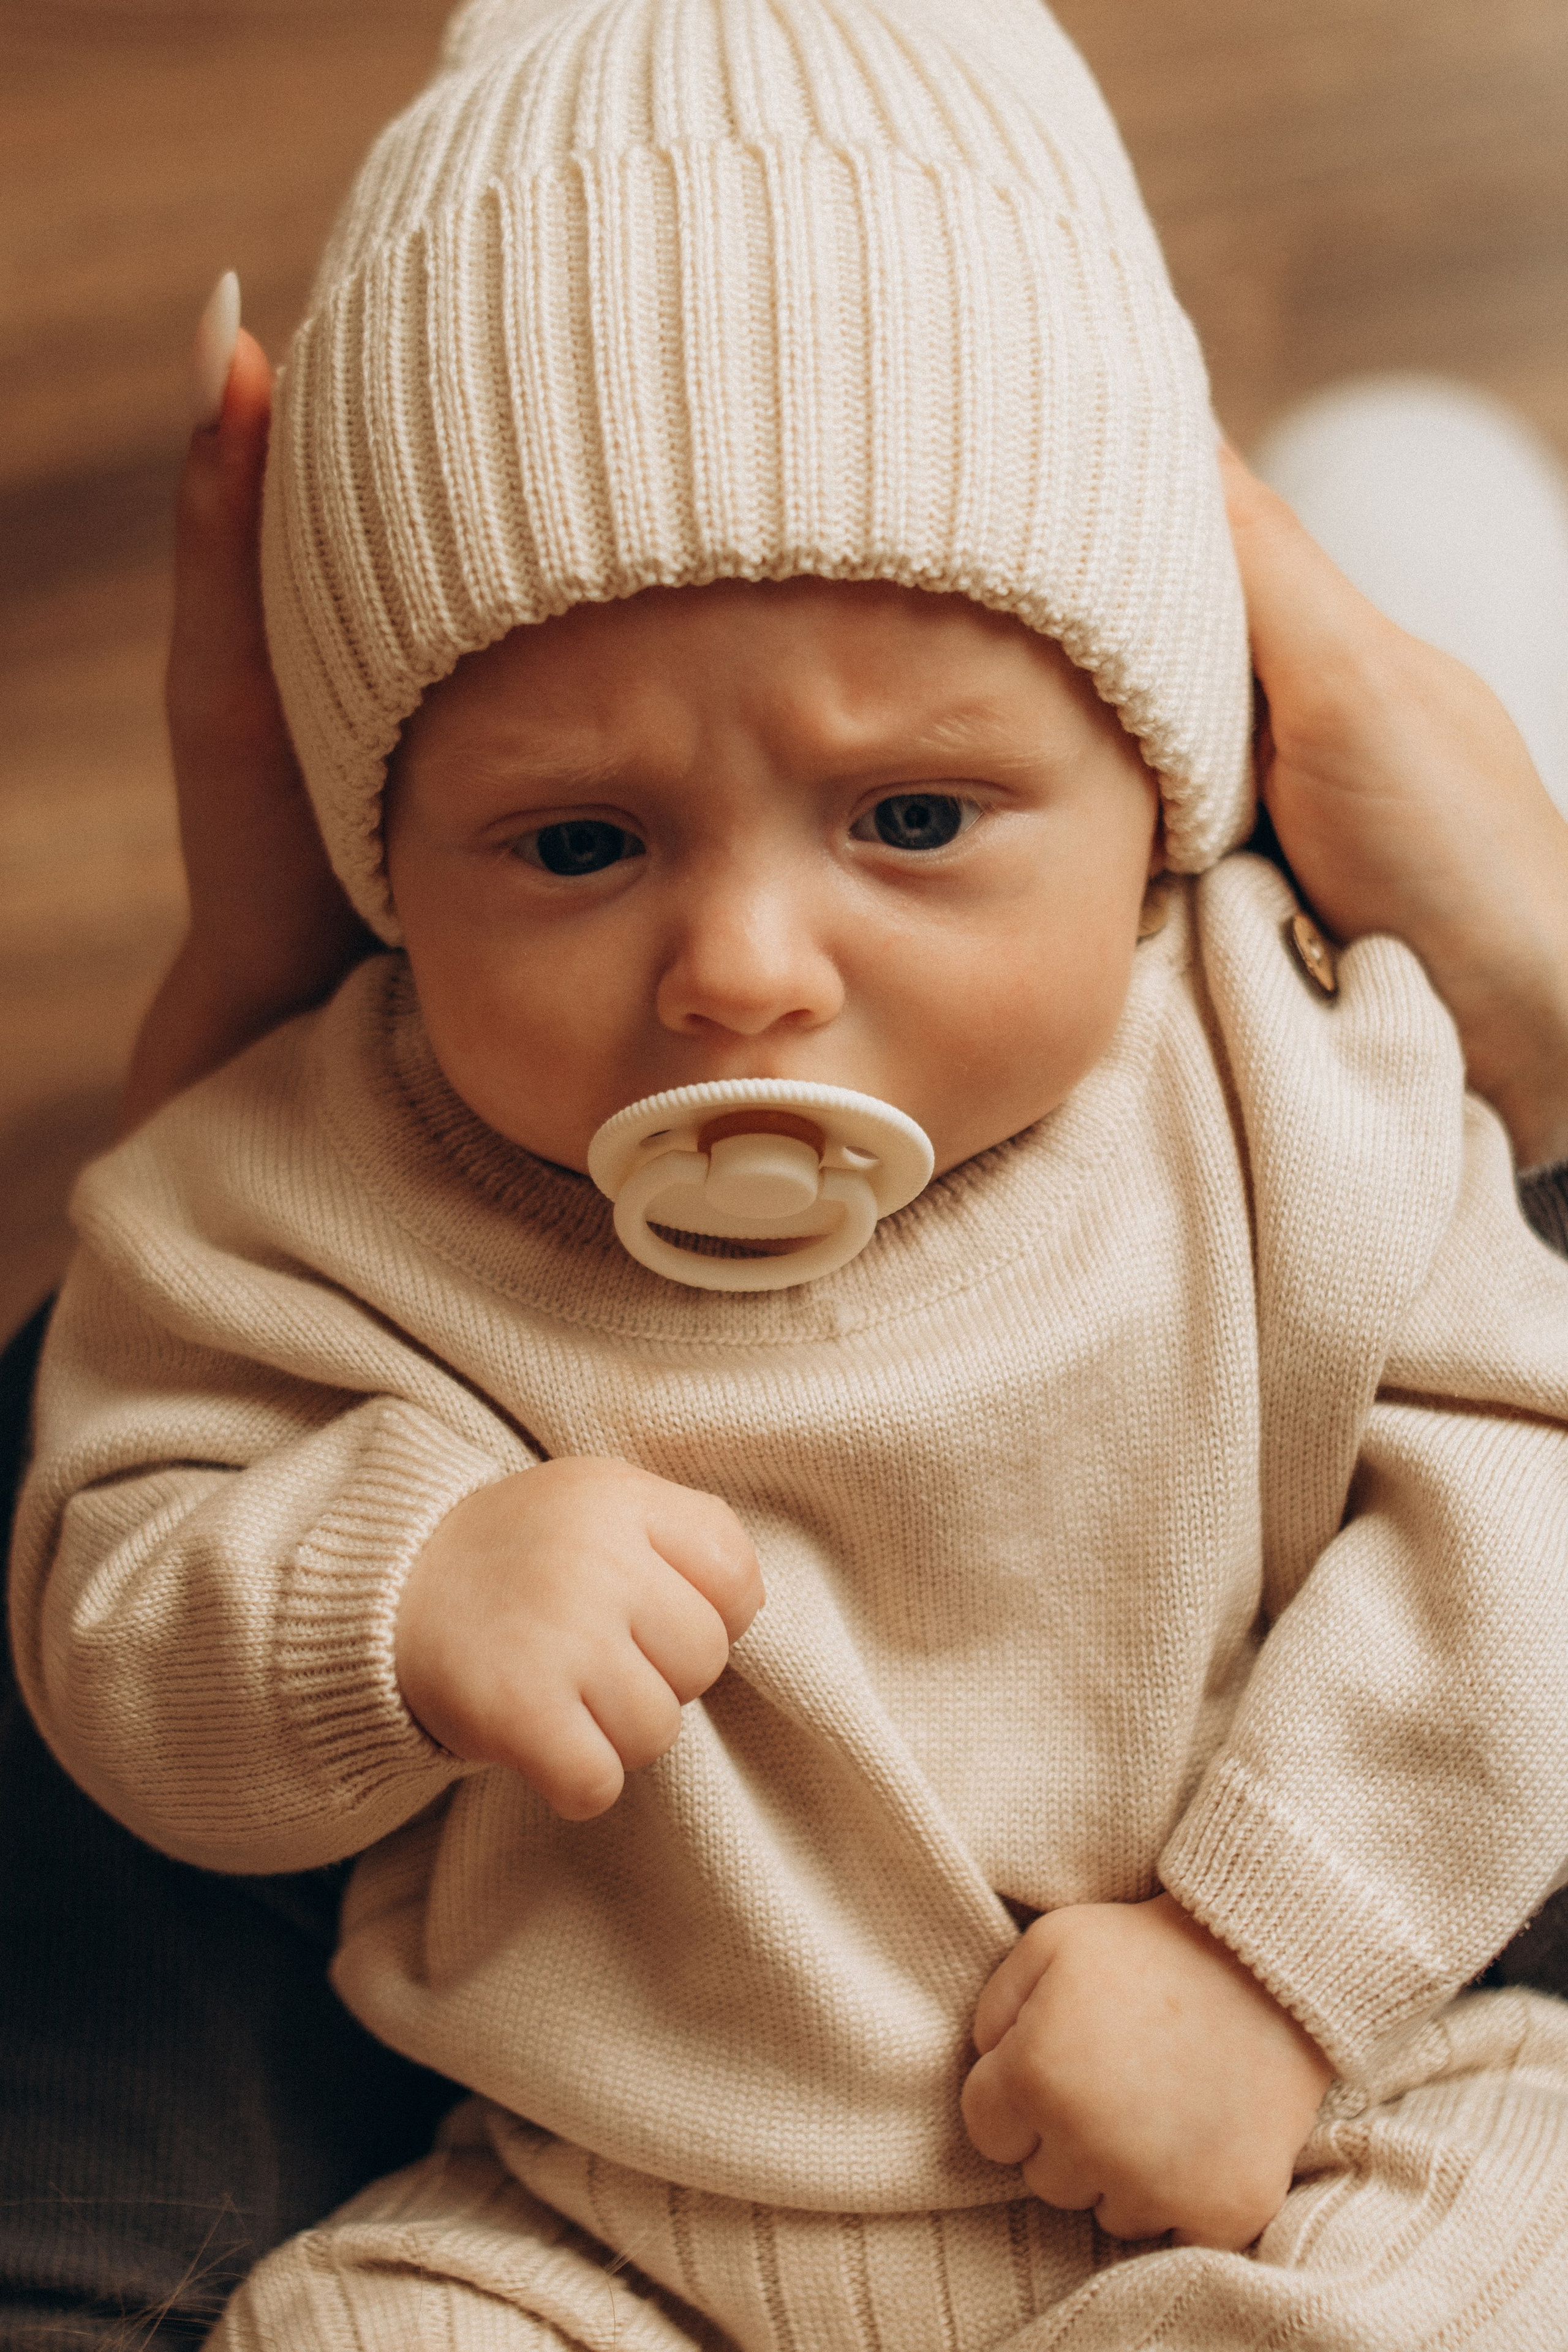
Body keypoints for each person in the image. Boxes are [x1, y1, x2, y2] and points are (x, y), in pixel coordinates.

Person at [9, 0, 1568, 2343]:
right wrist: (386, 1606)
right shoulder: (301, 1177)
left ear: (1169, 789)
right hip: (594, 2237)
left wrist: (1279, 1953)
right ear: (392, 871)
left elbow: (1528, 1494)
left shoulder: (1279, 1065)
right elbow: (101, 1593)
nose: (742, 966)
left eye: (914, 820)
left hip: (1293, 2151)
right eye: (578, 840)